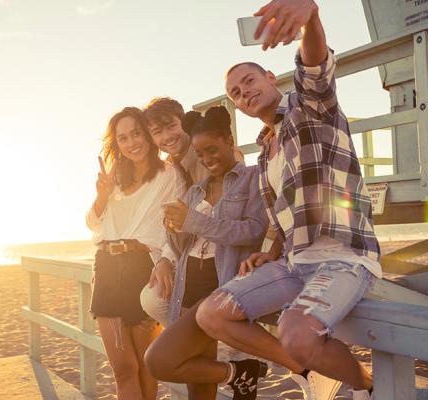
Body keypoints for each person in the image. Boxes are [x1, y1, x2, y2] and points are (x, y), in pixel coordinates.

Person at [195, 1, 382, 399]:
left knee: (295, 332)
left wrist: (310, 15)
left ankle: (366, 386)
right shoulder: (265, 152)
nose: (243, 92)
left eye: (248, 80)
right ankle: (309, 370)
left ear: (268, 75)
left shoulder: (309, 107)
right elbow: (287, 211)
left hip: (343, 258)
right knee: (211, 314)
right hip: (294, 263)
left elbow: (314, 65)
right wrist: (272, 250)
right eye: (235, 92)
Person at [143, 106, 270, 400]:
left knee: (160, 360)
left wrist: (193, 221)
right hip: (189, 284)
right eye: (199, 154)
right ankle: (240, 373)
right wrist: (174, 229)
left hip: (220, 283)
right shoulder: (195, 191)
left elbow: (252, 231)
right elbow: (182, 246)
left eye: (211, 149)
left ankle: (242, 371)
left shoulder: (251, 178)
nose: (206, 159)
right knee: (197, 388)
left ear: (229, 140)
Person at [86, 106, 185, 399]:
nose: (132, 143)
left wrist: (167, 259)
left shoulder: (170, 174)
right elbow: (92, 223)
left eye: (136, 134)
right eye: (123, 138)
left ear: (147, 133)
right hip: (106, 266)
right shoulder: (114, 176)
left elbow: (176, 228)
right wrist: (102, 195)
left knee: (144, 365)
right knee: (122, 367)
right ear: (116, 143)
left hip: (144, 267)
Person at [142, 97, 249, 312]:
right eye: (157, 132)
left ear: (184, 122)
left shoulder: (208, 156)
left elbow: (229, 214)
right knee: (153, 299)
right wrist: (164, 259)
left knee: (156, 301)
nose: (167, 137)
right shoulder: (172, 167)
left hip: (224, 253)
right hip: (192, 248)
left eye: (172, 126)